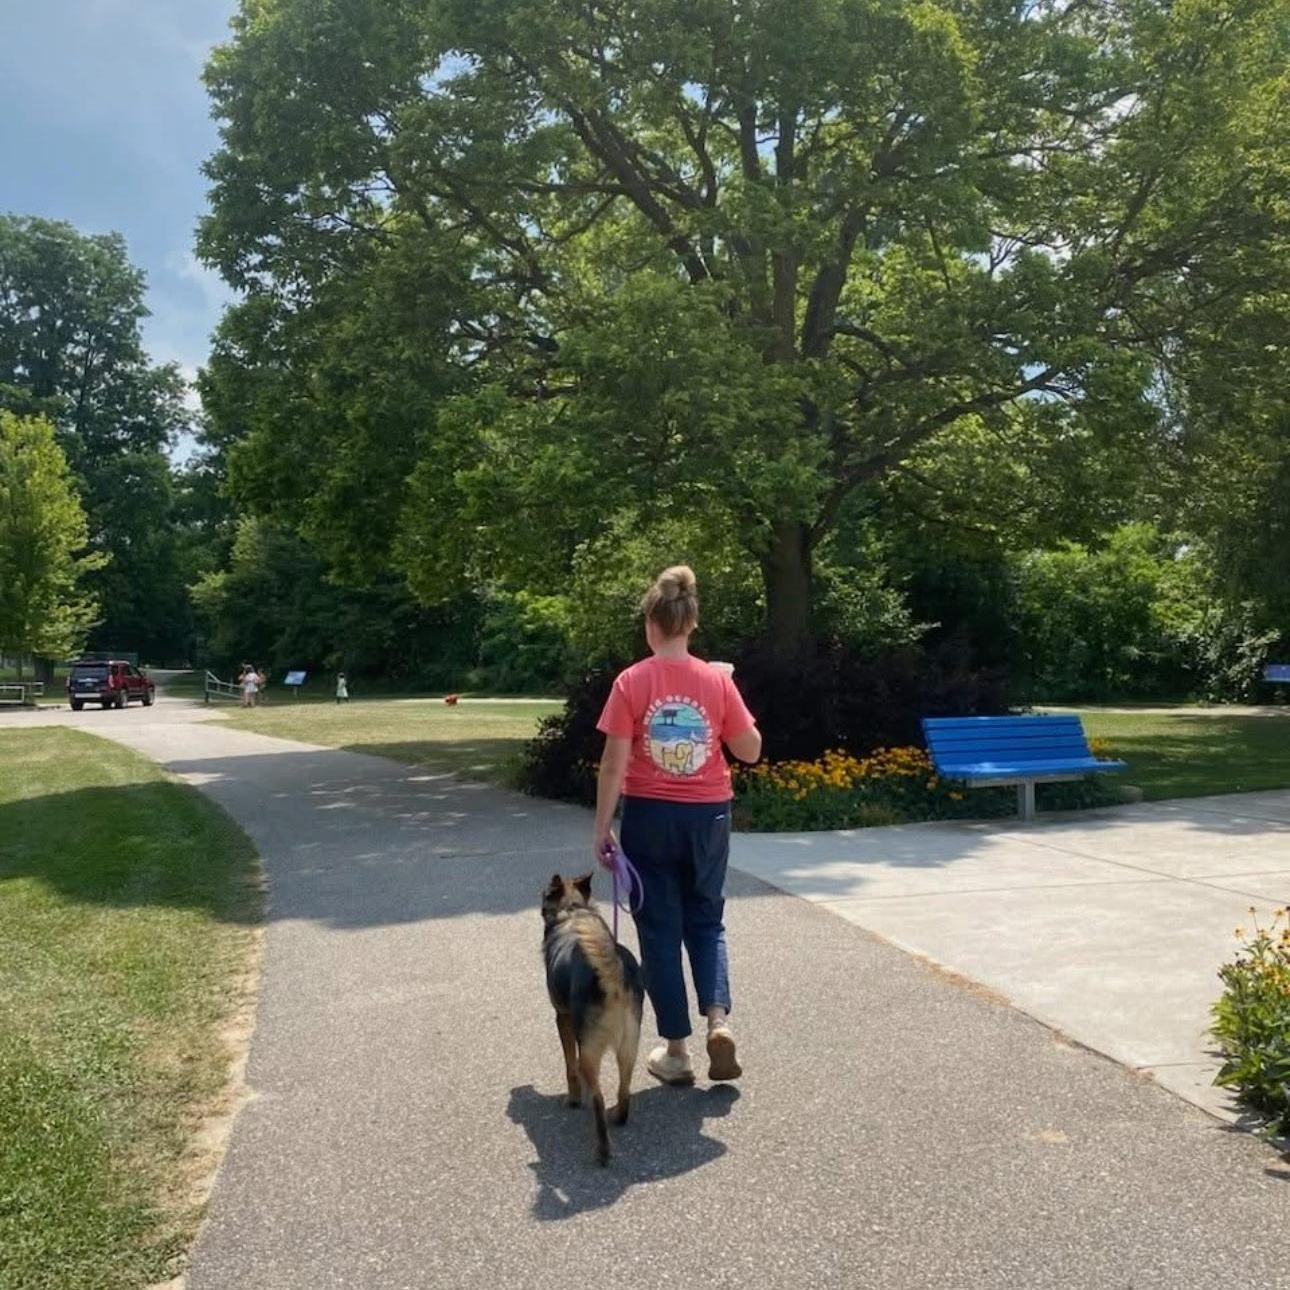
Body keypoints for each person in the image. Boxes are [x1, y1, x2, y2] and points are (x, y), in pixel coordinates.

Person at [594, 565, 763, 1086]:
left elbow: (614, 764)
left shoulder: (632, 681)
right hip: (709, 815)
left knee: (660, 932)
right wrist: (726, 694)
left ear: (651, 622)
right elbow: (751, 751)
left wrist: (602, 828)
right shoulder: (715, 681)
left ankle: (676, 1052)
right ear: (691, 624)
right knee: (707, 921)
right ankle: (719, 1020)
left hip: (649, 816)